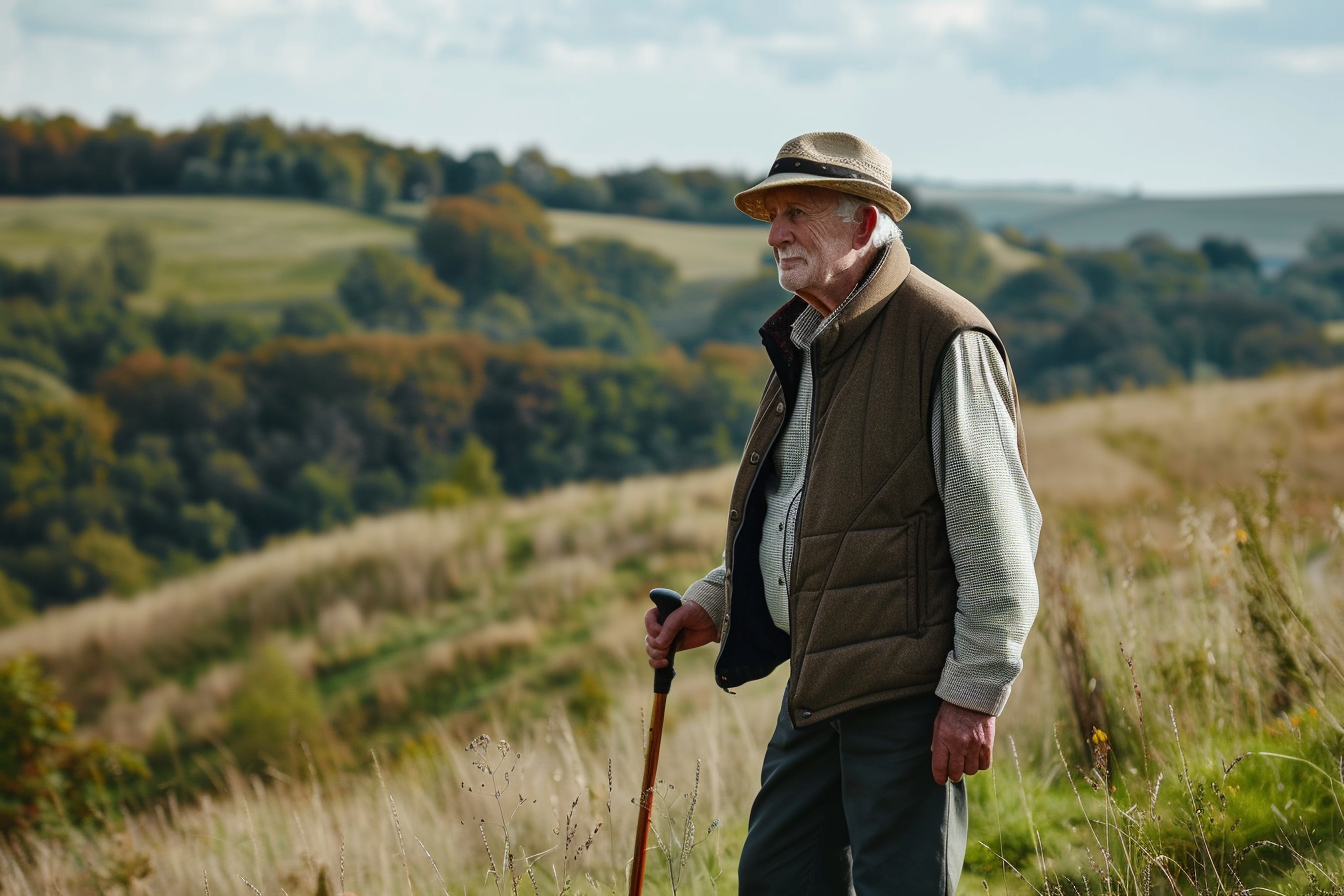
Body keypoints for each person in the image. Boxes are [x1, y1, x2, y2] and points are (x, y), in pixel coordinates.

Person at [643, 132, 1042, 895]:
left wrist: (973, 691)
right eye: (770, 215)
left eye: (796, 212)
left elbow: (1001, 540)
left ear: (863, 225)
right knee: (775, 878)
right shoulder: (809, 338)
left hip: (905, 690)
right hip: (819, 675)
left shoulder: (943, 337)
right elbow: (803, 512)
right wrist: (717, 600)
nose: (774, 235)